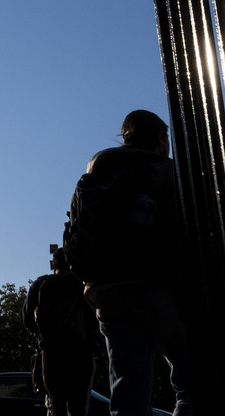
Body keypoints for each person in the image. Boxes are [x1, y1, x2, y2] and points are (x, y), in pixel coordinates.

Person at [80, 110, 192, 416]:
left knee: (128, 384)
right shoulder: (163, 170)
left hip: (104, 288)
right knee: (191, 377)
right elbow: (178, 234)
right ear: (159, 138)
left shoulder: (98, 168)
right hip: (150, 282)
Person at [24, 249, 96, 416]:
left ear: (53, 263)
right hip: (81, 351)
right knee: (79, 405)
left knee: (56, 403)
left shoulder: (40, 285)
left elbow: (28, 321)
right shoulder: (83, 285)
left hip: (52, 352)